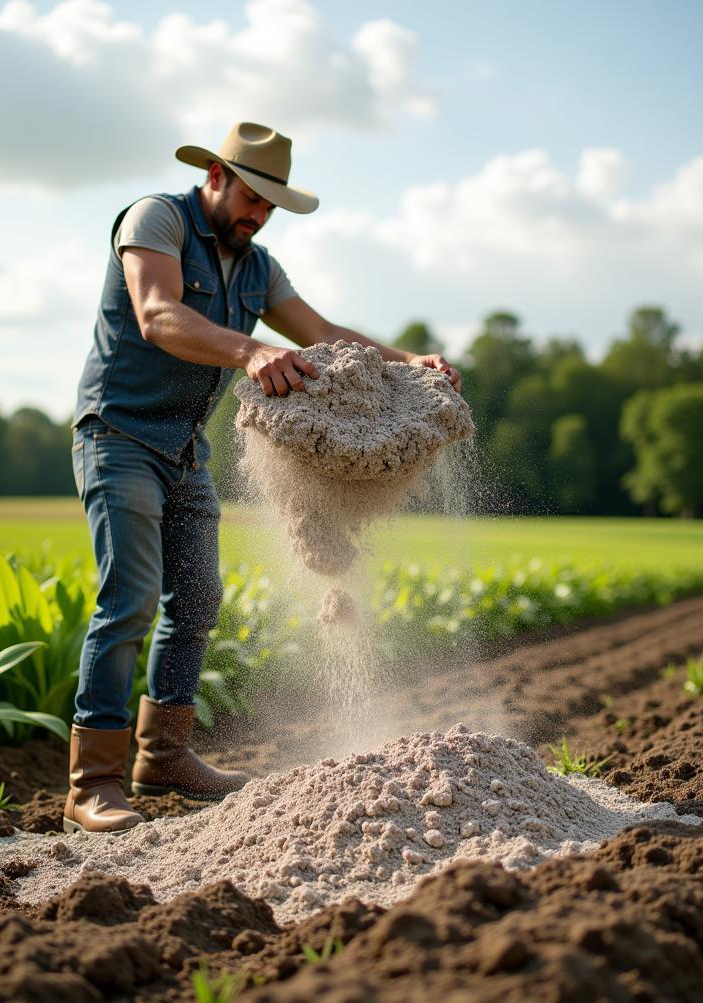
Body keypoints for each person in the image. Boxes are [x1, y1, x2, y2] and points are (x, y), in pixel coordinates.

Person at [65, 121, 461, 834]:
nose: (259, 215)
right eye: (253, 197)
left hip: (185, 450)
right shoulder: (156, 218)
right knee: (129, 599)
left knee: (200, 599)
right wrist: (250, 351)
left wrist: (409, 362)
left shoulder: (258, 267)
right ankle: (92, 782)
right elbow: (158, 316)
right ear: (216, 176)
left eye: (271, 206)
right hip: (118, 436)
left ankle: (163, 758)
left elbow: (325, 334)